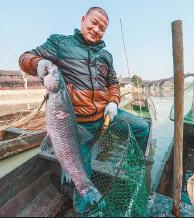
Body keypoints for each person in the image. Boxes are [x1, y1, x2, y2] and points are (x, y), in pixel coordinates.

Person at [19, 6, 150, 212]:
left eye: (102, 28)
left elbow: (113, 83)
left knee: (142, 127)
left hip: (105, 116)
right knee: (81, 177)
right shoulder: (60, 43)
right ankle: (87, 209)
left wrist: (113, 102)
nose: (97, 29)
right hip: (77, 125)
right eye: (94, 23)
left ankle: (132, 167)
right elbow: (25, 58)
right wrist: (38, 63)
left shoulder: (106, 55)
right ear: (83, 20)